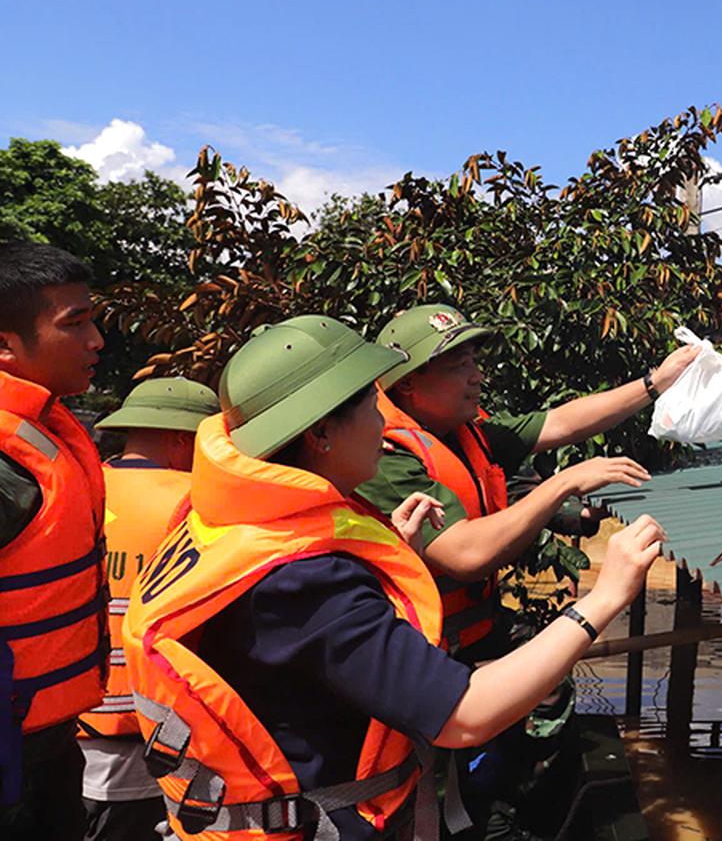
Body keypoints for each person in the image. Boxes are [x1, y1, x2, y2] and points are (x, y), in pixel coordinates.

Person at [122, 316, 664, 841]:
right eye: (370, 406)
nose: (384, 423)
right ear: (321, 434)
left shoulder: (226, 522)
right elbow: (465, 714)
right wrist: (603, 598)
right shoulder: (304, 582)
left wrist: (389, 558)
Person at [362, 304, 695, 836]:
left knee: (532, 726)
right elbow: (466, 554)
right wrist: (562, 484)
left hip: (473, 634)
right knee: (444, 800)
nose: (477, 376)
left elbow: (561, 421)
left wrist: (656, 382)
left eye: (475, 361)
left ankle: (514, 811)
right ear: (407, 384)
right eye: (458, 366)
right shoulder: (384, 456)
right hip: (423, 656)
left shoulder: (465, 432)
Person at [0, 242, 109, 841]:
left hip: (44, 742)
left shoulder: (44, 428)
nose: (96, 340)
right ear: (5, 345)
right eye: (75, 324)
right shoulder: (7, 462)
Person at [80, 377, 219, 841]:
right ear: (182, 440)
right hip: (145, 739)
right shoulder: (195, 502)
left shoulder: (80, 483)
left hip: (60, 727)